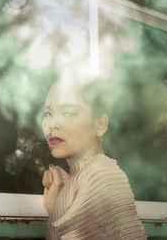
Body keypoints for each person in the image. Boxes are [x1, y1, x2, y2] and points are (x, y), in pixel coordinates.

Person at [42, 80, 146, 239]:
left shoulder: (102, 177)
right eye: (48, 113)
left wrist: (56, 209)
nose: (53, 124)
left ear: (100, 124)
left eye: (69, 112)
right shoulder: (88, 174)